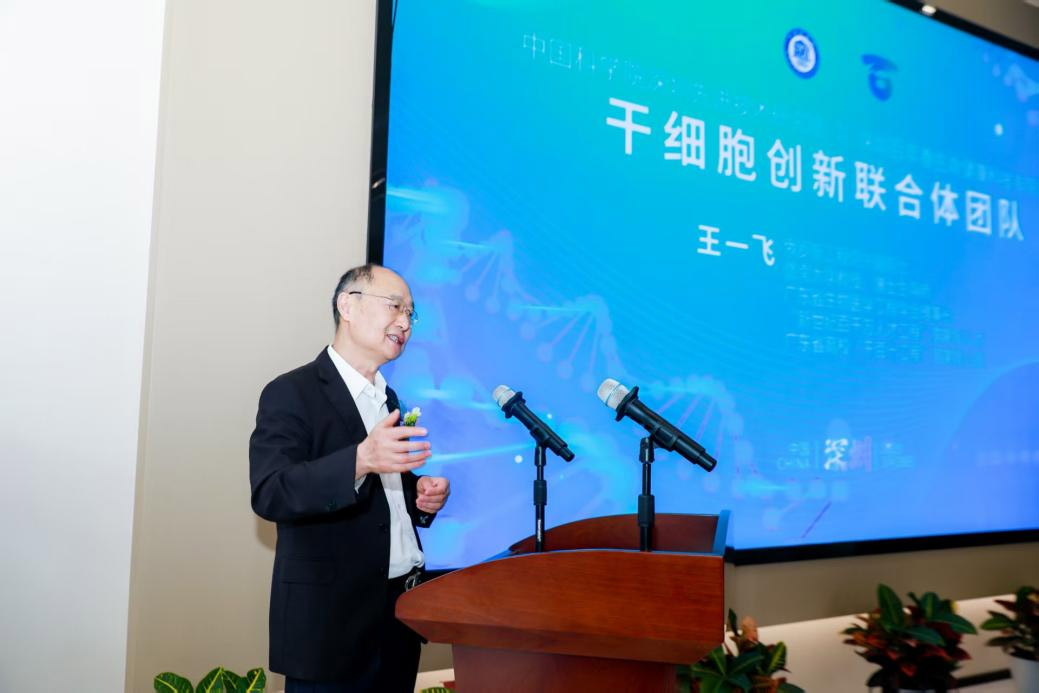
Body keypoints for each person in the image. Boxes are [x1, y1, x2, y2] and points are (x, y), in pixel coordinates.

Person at [249, 263, 451, 693]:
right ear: (348, 306)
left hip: (395, 622)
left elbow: (381, 494)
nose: (405, 322)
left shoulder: (387, 398)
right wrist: (360, 459)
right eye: (395, 306)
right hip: (330, 629)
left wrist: (417, 493)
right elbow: (271, 492)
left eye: (411, 313)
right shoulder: (292, 392)